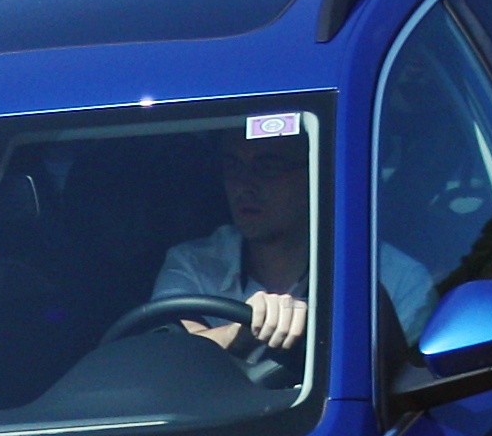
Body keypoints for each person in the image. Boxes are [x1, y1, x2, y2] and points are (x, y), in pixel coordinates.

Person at [151, 121, 439, 382]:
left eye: (268, 167)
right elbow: (164, 357)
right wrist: (240, 333)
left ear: (318, 172)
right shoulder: (193, 263)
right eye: (233, 166)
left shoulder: (395, 278)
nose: (244, 185)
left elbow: (410, 394)